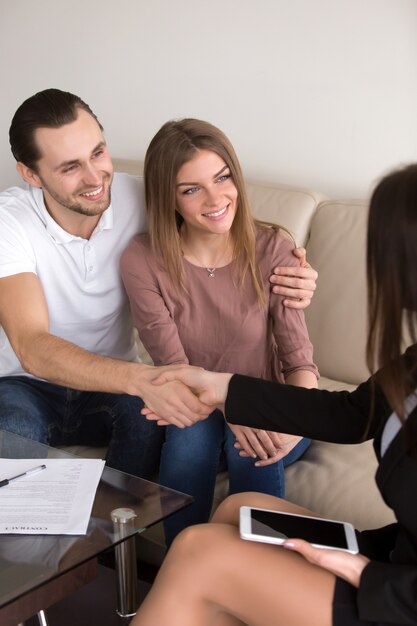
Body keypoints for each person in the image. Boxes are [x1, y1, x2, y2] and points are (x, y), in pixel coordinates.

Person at [132, 162, 417, 626]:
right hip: (395, 557)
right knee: (238, 508)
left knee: (198, 553)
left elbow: (300, 360)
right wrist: (224, 388)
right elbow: (352, 414)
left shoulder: (269, 249)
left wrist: (370, 576)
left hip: (399, 598)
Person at [0, 88, 317, 477]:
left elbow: (219, 217)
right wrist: (148, 380)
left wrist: (294, 271)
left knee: (154, 428)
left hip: (114, 387)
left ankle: (119, 530)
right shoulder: (9, 223)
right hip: (23, 383)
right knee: (10, 438)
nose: (94, 178)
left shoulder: (142, 196)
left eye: (98, 153)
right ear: (30, 174)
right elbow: (33, 346)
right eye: (69, 167)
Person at [120, 118, 318, 542]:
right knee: (190, 438)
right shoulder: (143, 259)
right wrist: (234, 406)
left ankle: (257, 578)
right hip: (195, 403)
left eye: (222, 178)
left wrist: (292, 423)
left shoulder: (273, 250)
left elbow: (300, 364)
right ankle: (182, 572)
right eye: (191, 189)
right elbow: (174, 369)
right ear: (167, 198)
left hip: (274, 407)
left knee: (252, 447)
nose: (215, 199)